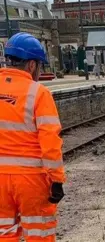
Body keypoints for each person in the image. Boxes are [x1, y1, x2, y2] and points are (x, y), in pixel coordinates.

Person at [0, 32, 65, 241]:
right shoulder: (38, 93)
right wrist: (56, 180)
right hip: (31, 180)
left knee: (4, 233)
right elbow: (50, 142)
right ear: (31, 65)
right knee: (39, 234)